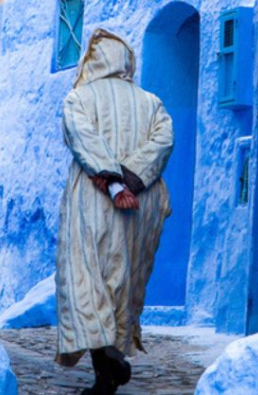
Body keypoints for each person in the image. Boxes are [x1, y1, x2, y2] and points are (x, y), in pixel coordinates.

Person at [55, 29, 175, 395]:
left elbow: (83, 137)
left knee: (88, 282)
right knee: (125, 282)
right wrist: (132, 178)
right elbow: (164, 140)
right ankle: (113, 361)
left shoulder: (78, 98)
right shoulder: (152, 103)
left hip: (95, 199)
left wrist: (111, 179)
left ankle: (106, 373)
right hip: (143, 203)